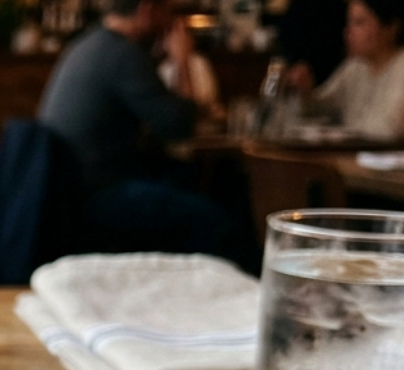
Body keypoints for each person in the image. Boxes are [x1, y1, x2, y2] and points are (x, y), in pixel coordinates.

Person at [38, 0, 251, 267]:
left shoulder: (88, 44)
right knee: (213, 221)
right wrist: (181, 59)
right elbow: (179, 127)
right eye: (168, 11)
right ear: (148, 10)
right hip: (95, 195)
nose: (172, 22)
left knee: (188, 183)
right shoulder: (123, 53)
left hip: (65, 192)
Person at [310, 0, 404, 148]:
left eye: (359, 23)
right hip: (358, 165)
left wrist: (340, 132)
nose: (348, 31)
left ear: (391, 28)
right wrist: (303, 92)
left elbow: (391, 131)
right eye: (349, 22)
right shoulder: (356, 66)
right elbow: (321, 110)